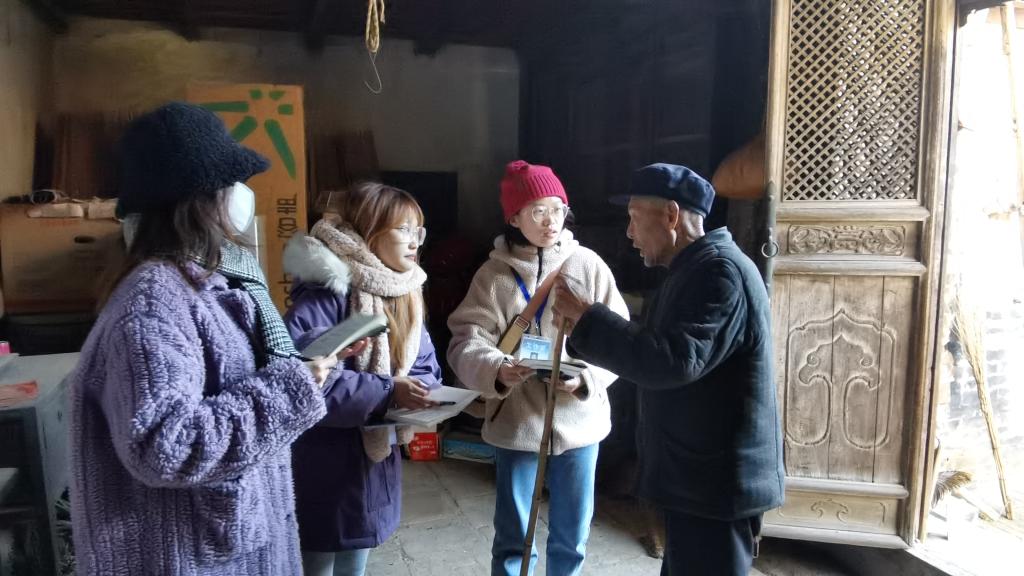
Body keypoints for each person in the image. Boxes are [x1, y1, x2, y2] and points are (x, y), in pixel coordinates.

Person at [69, 102, 338, 576]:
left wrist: (297, 368)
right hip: (186, 557)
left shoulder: (195, 281)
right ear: (200, 198)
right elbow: (165, 446)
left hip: (221, 546)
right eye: (230, 182)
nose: (240, 195)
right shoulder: (153, 301)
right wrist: (290, 388)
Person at [550, 164, 785, 576]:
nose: (629, 233)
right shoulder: (693, 270)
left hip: (715, 488)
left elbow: (672, 361)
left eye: (634, 217)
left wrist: (589, 319)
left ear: (671, 215)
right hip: (696, 482)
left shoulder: (720, 273)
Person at [447, 160, 629, 576]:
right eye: (537, 211)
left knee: (571, 537)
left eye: (557, 209)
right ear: (514, 217)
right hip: (517, 422)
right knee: (513, 536)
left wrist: (586, 379)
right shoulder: (494, 275)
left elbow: (619, 339)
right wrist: (496, 368)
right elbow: (465, 341)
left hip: (579, 422)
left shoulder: (588, 266)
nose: (550, 221)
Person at [282, 182, 442, 576]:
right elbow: (308, 380)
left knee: (357, 555)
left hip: (374, 461)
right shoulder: (326, 295)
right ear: (368, 233)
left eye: (418, 231)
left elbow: (424, 363)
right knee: (318, 560)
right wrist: (388, 393)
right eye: (403, 229)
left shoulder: (404, 290)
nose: (414, 241)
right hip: (325, 460)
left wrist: (424, 390)